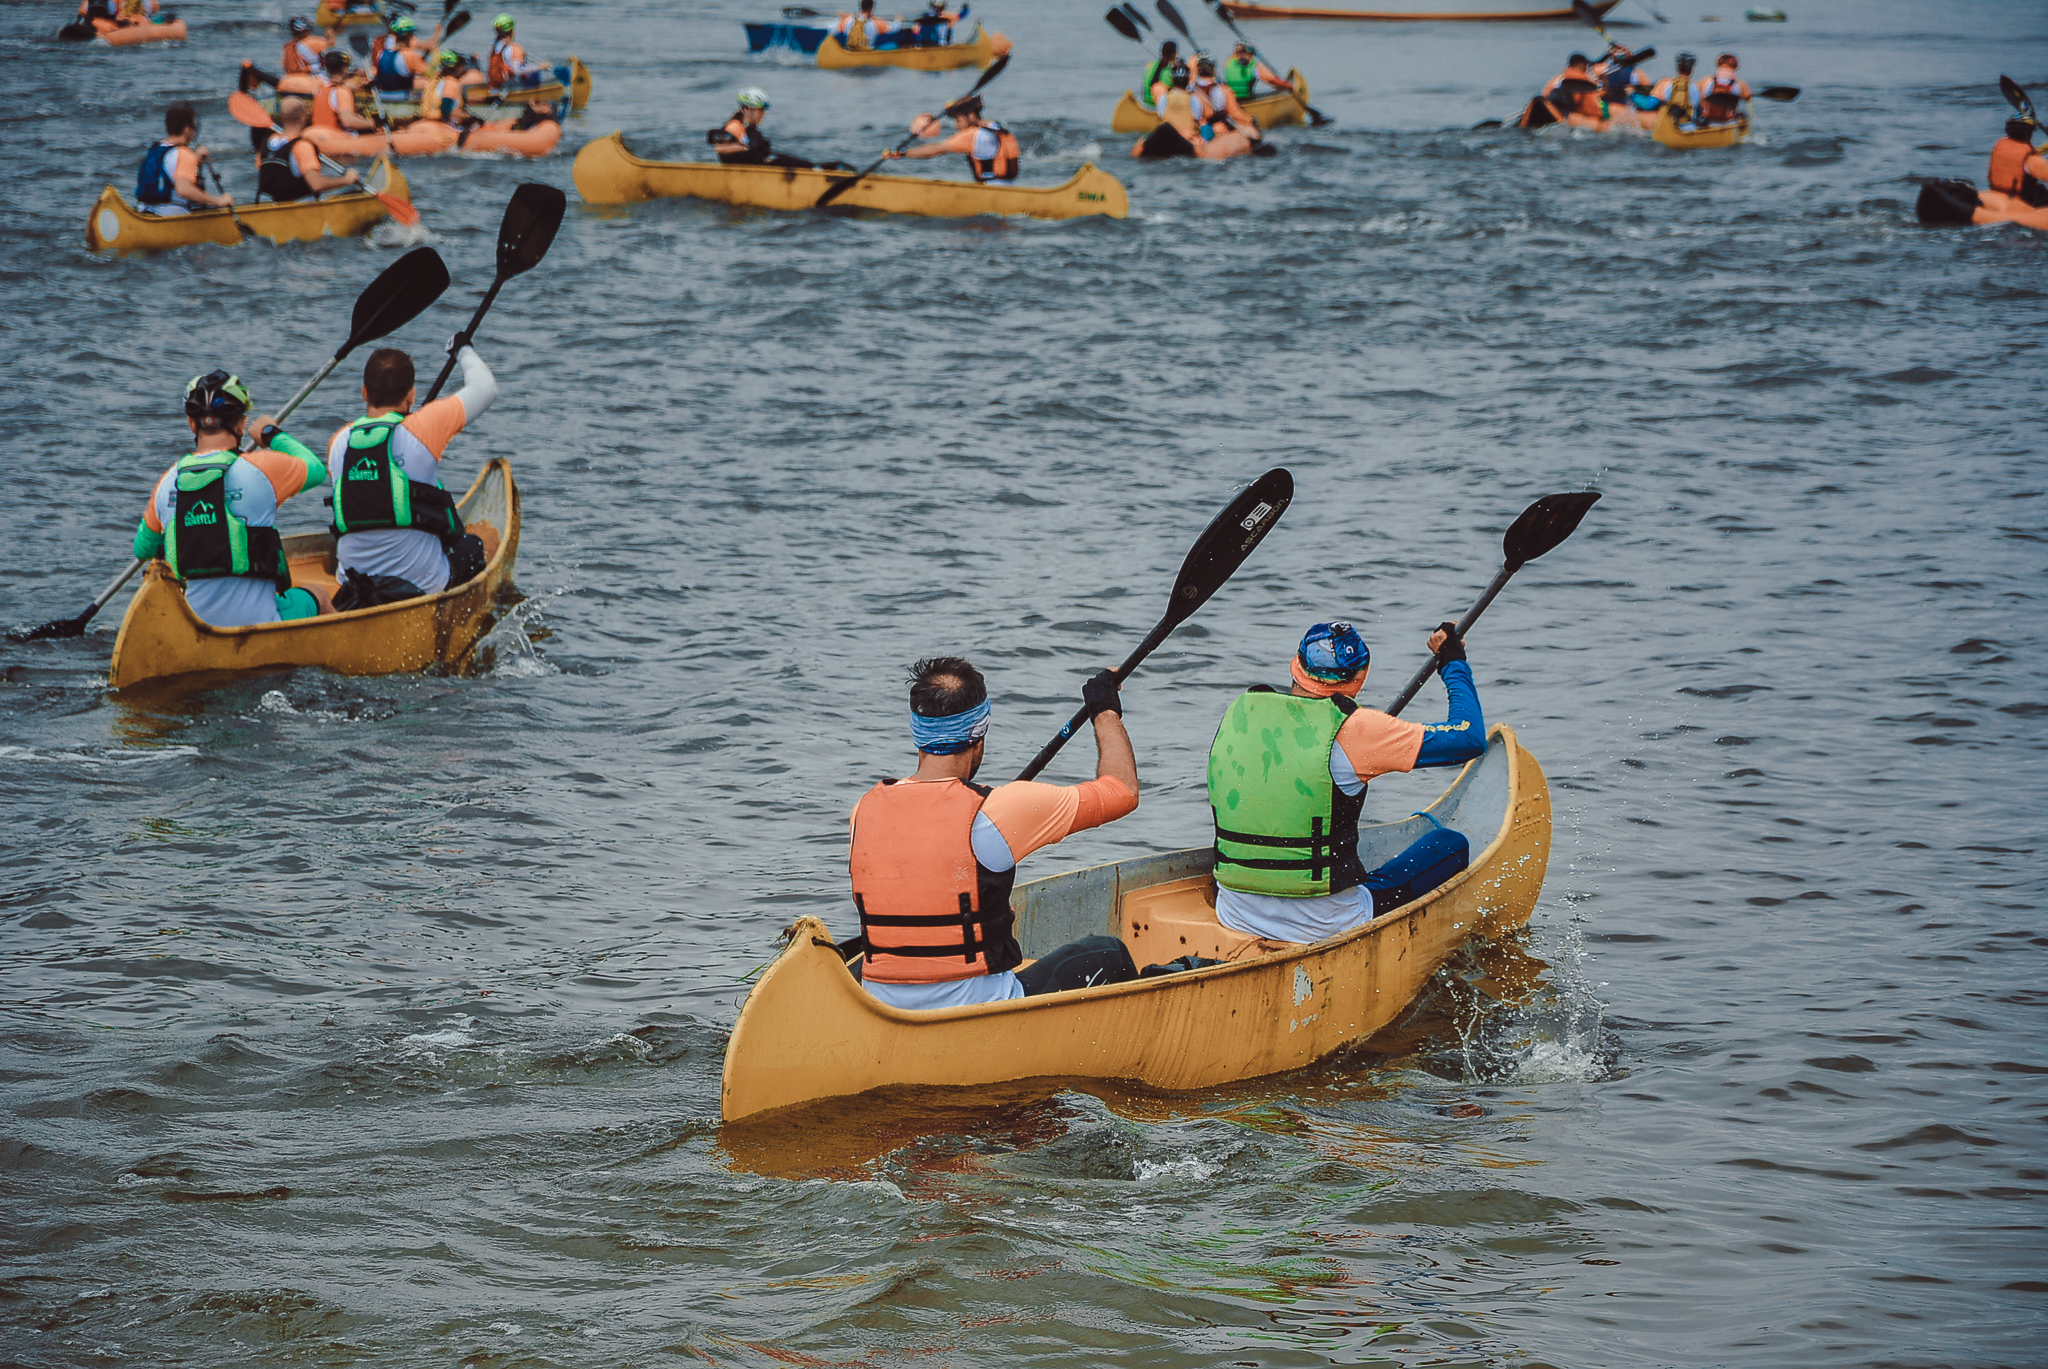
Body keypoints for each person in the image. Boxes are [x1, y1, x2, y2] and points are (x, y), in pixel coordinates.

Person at [848, 657, 1143, 1010]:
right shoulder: (999, 810)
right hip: (979, 1009)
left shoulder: (863, 810)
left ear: (918, 734)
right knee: (1108, 952)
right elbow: (1122, 791)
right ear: (979, 734)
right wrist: (1104, 710)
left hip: (884, 1008)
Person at [1204, 621, 1487, 949]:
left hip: (1235, 913)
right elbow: (1469, 737)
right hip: (1324, 925)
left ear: (1295, 666)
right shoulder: (1361, 729)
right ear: (1360, 678)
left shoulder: (1241, 712)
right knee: (1448, 844)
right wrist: (1452, 659)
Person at [133, 372, 330, 628]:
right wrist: (270, 434)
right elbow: (315, 468)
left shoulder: (167, 482)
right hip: (261, 624)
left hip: (193, 627)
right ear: (241, 424)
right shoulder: (263, 469)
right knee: (320, 595)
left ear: (192, 424)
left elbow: (143, 550)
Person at [323, 343, 496, 608]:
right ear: (412, 395)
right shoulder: (426, 426)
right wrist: (462, 349)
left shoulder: (338, 442)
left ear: (364, 392)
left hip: (354, 584)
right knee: (477, 544)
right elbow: (485, 388)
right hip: (422, 585)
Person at [887, 95, 1020, 184]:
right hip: (1009, 187)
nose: (956, 126)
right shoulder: (995, 127)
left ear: (971, 115)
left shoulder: (971, 135)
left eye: (958, 120)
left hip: (990, 191)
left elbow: (934, 150)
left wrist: (903, 153)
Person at [136, 104, 231, 217]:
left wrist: (196, 162)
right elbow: (183, 190)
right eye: (194, 129)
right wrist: (219, 202)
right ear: (187, 130)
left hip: (144, 210)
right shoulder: (184, 154)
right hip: (171, 215)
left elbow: (171, 169)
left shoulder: (155, 149)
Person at [259, 98, 360, 202]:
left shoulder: (267, 142)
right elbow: (317, 185)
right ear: (304, 116)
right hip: (300, 205)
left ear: (281, 117)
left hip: (271, 204)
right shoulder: (302, 146)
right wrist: (346, 180)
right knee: (355, 193)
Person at [707, 88, 829, 169]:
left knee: (788, 160)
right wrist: (746, 147)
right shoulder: (734, 126)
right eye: (760, 110)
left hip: (760, 167)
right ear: (747, 110)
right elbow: (719, 148)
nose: (763, 114)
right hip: (746, 172)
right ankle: (817, 169)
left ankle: (819, 168)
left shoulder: (749, 129)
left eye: (763, 111)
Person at [1191, 55, 1261, 144]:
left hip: (1200, 129)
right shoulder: (1223, 90)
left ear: (1198, 69)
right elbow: (1235, 113)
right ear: (1213, 70)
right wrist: (1251, 120)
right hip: (1216, 129)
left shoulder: (1191, 89)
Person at [1987, 118, 2048, 208]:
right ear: (2028, 134)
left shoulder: (2001, 146)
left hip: (1998, 198)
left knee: (2040, 188)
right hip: (2021, 204)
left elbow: (2025, 156)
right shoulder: (2031, 160)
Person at [314, 49, 379, 133]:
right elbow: (348, 121)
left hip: (323, 135)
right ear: (344, 68)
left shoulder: (320, 88)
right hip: (340, 137)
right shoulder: (342, 91)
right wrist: (375, 122)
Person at [368, 16, 429, 103]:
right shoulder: (409, 54)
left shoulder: (382, 53)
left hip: (381, 95)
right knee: (429, 82)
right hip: (401, 96)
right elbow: (431, 74)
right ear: (410, 36)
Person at [1540, 53, 1606, 124]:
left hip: (1550, 110)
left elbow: (1544, 95)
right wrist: (1601, 78)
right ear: (1584, 67)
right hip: (1567, 116)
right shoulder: (1587, 83)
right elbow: (1592, 108)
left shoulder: (1556, 79)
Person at [1221, 40, 1292, 102]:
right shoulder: (1255, 67)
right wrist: (1288, 86)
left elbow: (1234, 55)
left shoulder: (1228, 63)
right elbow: (1272, 80)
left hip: (1232, 101)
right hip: (1246, 99)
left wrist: (1240, 47)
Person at [487, 13, 544, 88]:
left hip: (497, 85)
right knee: (535, 73)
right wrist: (539, 67)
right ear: (511, 31)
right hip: (513, 87)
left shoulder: (495, 47)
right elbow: (517, 70)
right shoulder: (515, 48)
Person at [1694, 52, 1750, 124]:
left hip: (1707, 119)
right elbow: (1747, 98)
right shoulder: (1741, 84)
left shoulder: (1706, 80)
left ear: (1718, 65)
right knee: (1743, 113)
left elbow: (1697, 96)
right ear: (1735, 67)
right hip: (1728, 120)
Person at [1140, 39, 1178, 111]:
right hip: (1159, 107)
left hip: (1146, 104)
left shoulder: (1151, 64)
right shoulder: (1170, 70)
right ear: (1174, 54)